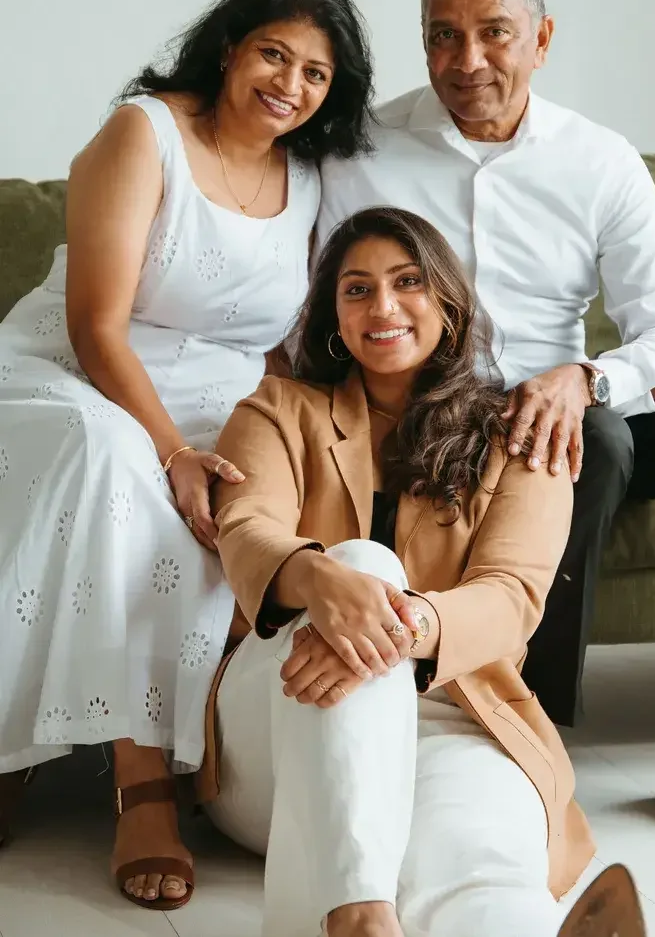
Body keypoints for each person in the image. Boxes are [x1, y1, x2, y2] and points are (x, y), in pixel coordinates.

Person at [317, 0, 655, 843]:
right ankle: (529, 731)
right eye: (442, 34)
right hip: (437, 413)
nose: (466, 59)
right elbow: (326, 303)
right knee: (592, 441)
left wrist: (586, 374)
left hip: (572, 397)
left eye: (495, 33)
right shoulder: (367, 151)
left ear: (543, 37)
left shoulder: (599, 160)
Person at [0, 0, 375, 909]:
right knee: (112, 456)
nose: (289, 84)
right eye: (273, 54)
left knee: (248, 497)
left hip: (217, 398)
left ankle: (206, 755)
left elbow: (287, 341)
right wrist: (170, 450)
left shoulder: (309, 175)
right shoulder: (146, 132)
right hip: (74, 371)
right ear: (229, 48)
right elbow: (96, 326)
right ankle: (140, 781)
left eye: (316, 74)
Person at [199, 206, 592, 937]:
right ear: (332, 317)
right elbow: (245, 529)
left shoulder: (518, 434)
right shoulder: (277, 408)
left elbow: (512, 597)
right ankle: (356, 916)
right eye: (356, 289)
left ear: (447, 298)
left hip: (456, 712)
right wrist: (325, 585)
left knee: (477, 861)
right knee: (361, 561)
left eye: (407, 281)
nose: (382, 306)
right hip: (283, 704)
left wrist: (390, 630)